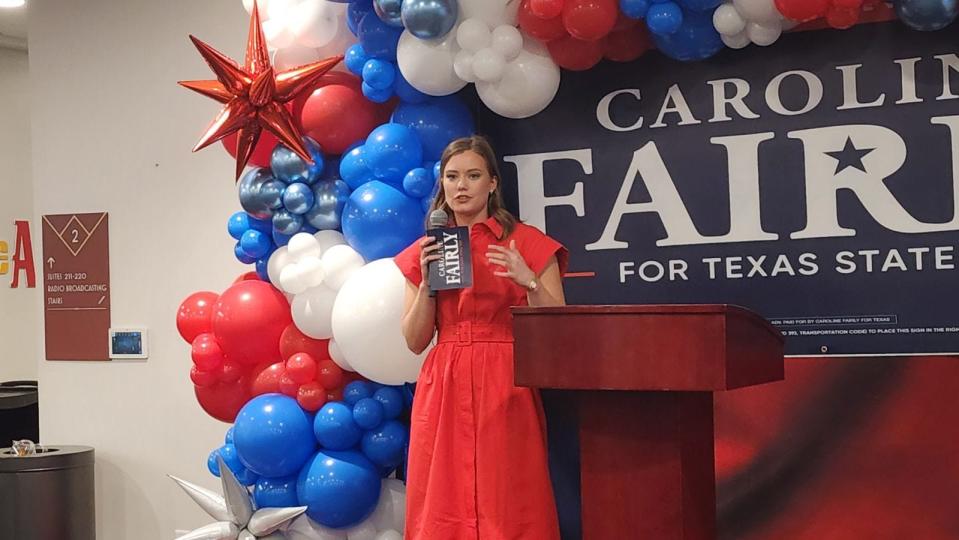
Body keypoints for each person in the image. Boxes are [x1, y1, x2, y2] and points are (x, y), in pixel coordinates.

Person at [394, 135, 567, 539]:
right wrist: (426, 288)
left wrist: (529, 282)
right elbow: (415, 340)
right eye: (452, 177)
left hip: (505, 376)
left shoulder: (524, 241)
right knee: (443, 492)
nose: (461, 186)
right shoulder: (427, 250)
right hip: (445, 381)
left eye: (473, 175)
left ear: (492, 183)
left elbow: (558, 326)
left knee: (507, 490)